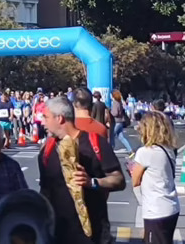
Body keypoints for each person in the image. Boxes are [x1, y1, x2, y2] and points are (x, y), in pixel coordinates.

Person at [39, 95, 125, 244]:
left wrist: (92, 182)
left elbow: (119, 180)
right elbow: (45, 191)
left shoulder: (95, 143)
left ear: (60, 118)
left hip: (94, 234)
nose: (42, 122)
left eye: (46, 117)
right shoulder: (47, 150)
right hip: (58, 235)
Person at [131, 110, 179, 244]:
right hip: (171, 206)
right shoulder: (169, 149)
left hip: (155, 211)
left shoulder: (145, 152)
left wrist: (133, 170)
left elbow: (135, 181)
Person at [110, 90, 134, 155]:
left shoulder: (115, 102)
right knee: (121, 137)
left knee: (112, 136)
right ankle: (130, 150)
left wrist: (110, 112)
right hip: (121, 121)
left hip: (116, 122)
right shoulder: (119, 102)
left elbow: (115, 113)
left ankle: (110, 150)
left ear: (113, 96)